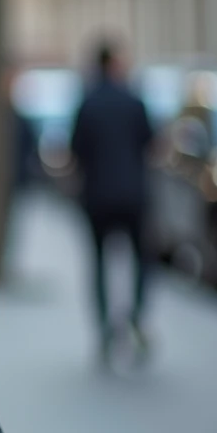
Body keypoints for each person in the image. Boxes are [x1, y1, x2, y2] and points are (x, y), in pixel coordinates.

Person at [70, 40, 155, 365]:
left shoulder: (87, 102)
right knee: (142, 260)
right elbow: (150, 144)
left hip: (97, 196)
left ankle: (105, 327)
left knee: (99, 262)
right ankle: (135, 314)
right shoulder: (134, 100)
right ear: (115, 63)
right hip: (134, 195)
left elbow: (75, 150)